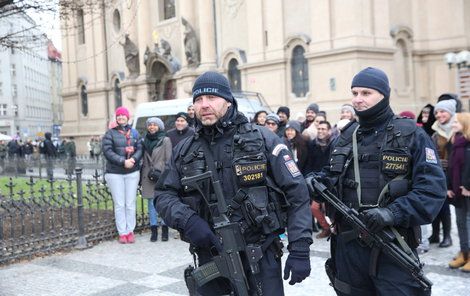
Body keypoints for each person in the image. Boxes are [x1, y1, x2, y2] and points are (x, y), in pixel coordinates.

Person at [155, 71, 312, 295]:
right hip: (211, 253)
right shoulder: (185, 149)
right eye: (198, 100)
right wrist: (188, 221)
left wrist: (300, 249)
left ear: (228, 101)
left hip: (261, 253)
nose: (204, 105)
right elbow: (163, 194)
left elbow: (297, 193)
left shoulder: (262, 139)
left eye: (211, 98)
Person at [313, 67, 446, 295]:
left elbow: (432, 190)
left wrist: (392, 213)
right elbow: (331, 177)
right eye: (354, 93)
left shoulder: (411, 134)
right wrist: (315, 183)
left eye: (366, 93)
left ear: (384, 95)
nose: (358, 100)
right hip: (348, 248)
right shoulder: (345, 136)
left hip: (392, 244)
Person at [103, 106, 143, 244]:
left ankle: (130, 230)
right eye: (118, 116)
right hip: (115, 173)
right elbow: (108, 151)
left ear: (127, 117)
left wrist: (133, 160)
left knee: (130, 203)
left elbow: (140, 149)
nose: (121, 118)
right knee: (120, 204)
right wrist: (123, 161)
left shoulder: (134, 132)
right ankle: (122, 232)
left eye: (123, 116)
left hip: (132, 171)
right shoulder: (110, 134)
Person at [429, 99, 456, 248]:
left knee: (445, 206)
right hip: (438, 173)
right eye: (437, 112)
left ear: (451, 113)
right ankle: (434, 234)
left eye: (442, 111)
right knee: (435, 204)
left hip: (452, 175)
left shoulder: (458, 131)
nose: (439, 115)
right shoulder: (435, 134)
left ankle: (447, 236)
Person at [140, 117, 172, 242]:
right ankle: (153, 230)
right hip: (148, 175)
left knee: (163, 203)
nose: (152, 127)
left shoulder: (165, 140)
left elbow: (169, 160)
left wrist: (166, 175)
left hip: (161, 175)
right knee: (151, 204)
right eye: (149, 125)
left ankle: (165, 230)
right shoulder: (144, 140)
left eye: (154, 125)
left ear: (159, 127)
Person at [447, 112, 470, 272]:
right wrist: (448, 187)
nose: (453, 124)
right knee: (461, 223)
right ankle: (464, 253)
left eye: (456, 121)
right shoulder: (455, 141)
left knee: (469, 223)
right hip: (457, 191)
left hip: (467, 191)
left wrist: (468, 186)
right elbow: (450, 167)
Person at [306, 121, 335, 239]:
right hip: (317, 181)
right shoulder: (312, 145)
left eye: (323, 129)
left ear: (329, 131)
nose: (321, 131)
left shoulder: (334, 144)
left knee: (330, 208)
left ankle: (334, 228)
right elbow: (309, 163)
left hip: (331, 180)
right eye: (319, 129)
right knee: (314, 207)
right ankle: (326, 228)